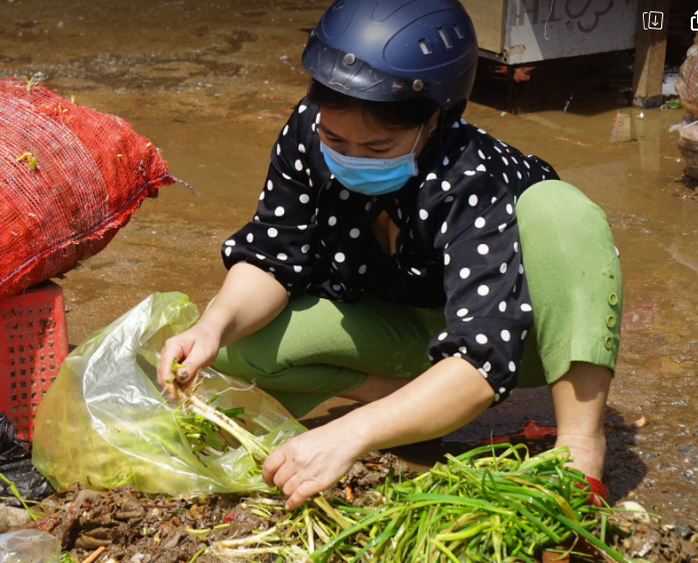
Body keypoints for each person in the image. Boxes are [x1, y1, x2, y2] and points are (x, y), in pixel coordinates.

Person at [157, 0, 622, 510]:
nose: (351, 157)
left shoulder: (471, 178)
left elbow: (480, 357)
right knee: (232, 350)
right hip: (407, 327)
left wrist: (350, 435)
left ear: (435, 119)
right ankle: (403, 398)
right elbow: (273, 255)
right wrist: (212, 325)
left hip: (519, 336)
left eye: (379, 148)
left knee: (561, 209)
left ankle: (580, 443)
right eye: (336, 138)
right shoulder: (307, 130)